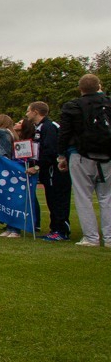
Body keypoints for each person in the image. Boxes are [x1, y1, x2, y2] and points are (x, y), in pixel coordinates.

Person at [57, 74, 111, 248]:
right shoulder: (108, 103)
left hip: (80, 155)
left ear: (80, 89)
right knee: (107, 197)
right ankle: (109, 238)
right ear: (99, 86)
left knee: (83, 197)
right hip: (107, 156)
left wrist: (61, 156)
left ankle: (91, 237)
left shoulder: (72, 106)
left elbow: (64, 133)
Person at [26, 102, 72, 242]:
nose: (26, 114)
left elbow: (51, 151)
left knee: (57, 199)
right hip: (49, 170)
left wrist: (38, 166)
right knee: (51, 199)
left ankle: (62, 231)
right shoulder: (40, 127)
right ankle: (55, 229)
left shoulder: (48, 127)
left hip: (55, 170)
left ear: (35, 111)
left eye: (28, 111)